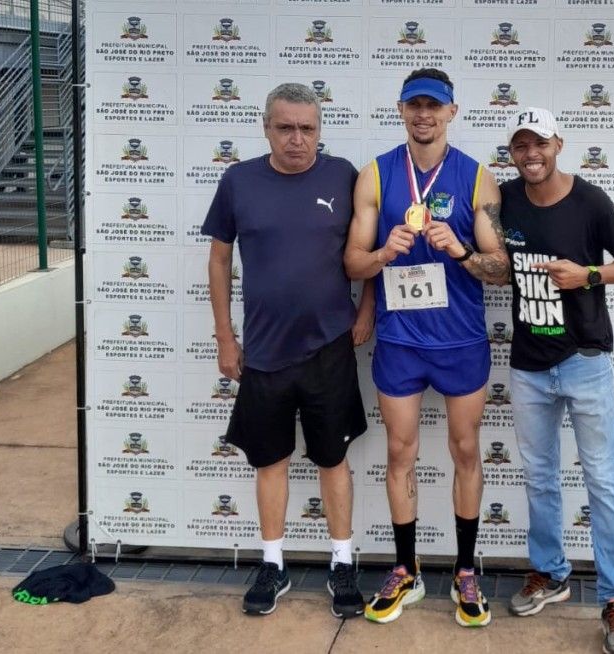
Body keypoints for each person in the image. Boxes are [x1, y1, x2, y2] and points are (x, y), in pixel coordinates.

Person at [201, 82, 374, 620]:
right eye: (285, 128)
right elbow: (218, 260)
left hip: (330, 348)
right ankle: (272, 563)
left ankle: (341, 562)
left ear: (320, 131)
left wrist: (366, 311)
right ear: (266, 127)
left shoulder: (344, 175)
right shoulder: (238, 181)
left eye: (307, 128)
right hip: (264, 353)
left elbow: (367, 250)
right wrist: (226, 337)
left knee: (333, 460)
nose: (297, 139)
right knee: (270, 461)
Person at [343, 68, 509, 627]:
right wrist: (384, 252)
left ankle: (465, 570)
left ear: (452, 112)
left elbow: (501, 270)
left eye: (434, 106)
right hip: (399, 340)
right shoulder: (375, 177)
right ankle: (406, 569)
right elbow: (351, 263)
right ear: (401, 110)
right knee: (400, 453)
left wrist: (462, 252)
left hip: (460, 340)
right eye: (415, 105)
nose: (424, 115)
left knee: (466, 450)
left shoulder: (478, 178)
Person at [499, 107, 614, 654]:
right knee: (539, 477)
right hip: (528, 363)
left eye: (539, 142)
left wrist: (589, 274)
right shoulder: (505, 199)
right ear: (512, 153)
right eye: (520, 146)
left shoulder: (590, 201)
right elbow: (495, 259)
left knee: (604, 482)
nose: (531, 153)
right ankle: (550, 573)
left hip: (584, 360)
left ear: (558, 143)